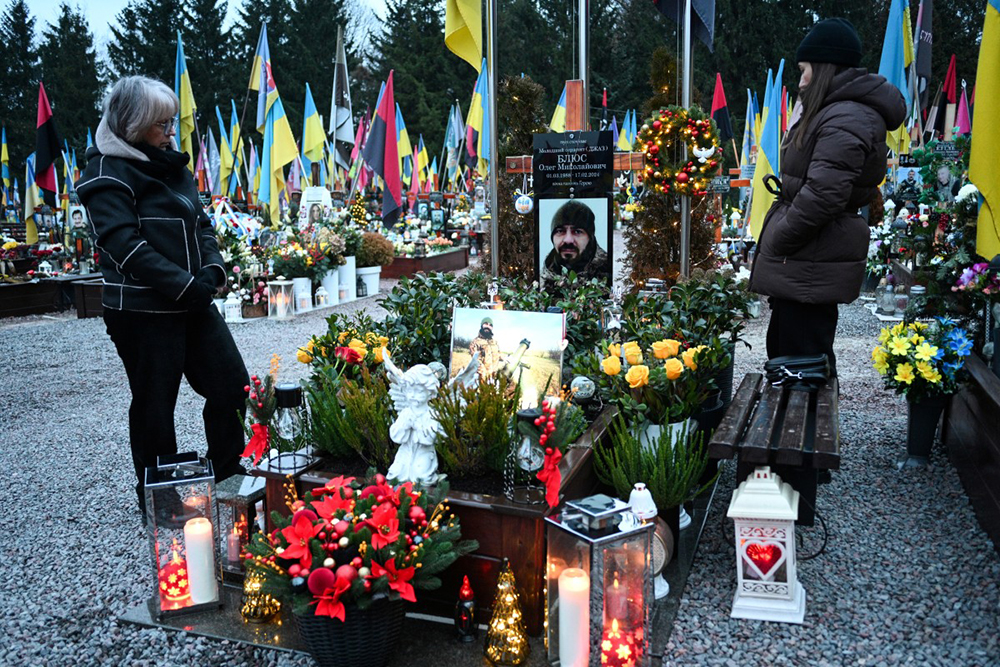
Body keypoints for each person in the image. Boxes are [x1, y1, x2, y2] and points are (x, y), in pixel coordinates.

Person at [76, 76, 248, 516]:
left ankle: (229, 472)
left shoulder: (173, 164)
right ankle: (161, 497)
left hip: (193, 300)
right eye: (162, 124)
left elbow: (201, 223)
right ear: (133, 125)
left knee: (231, 383)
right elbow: (123, 244)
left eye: (172, 122)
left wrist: (212, 268)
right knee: (156, 403)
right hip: (142, 310)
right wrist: (184, 284)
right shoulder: (104, 172)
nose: (172, 132)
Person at [749, 18, 907, 376]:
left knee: (800, 365)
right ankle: (799, 428)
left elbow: (823, 195)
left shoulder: (845, 116)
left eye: (804, 70)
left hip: (810, 257)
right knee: (795, 358)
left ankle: (801, 432)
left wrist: (781, 236)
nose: (801, 80)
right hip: (810, 259)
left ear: (822, 69)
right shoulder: (838, 111)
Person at [540, 200, 611, 285]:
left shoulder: (609, 274)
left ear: (590, 237)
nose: (568, 240)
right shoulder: (541, 280)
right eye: (560, 231)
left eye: (577, 231)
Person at [468, 316, 502, 382]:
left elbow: (499, 356)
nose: (488, 326)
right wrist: (485, 377)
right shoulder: (475, 342)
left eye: (490, 325)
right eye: (486, 324)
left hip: (494, 377)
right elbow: (477, 362)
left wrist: (507, 359)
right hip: (482, 378)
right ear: (482, 325)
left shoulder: (495, 342)